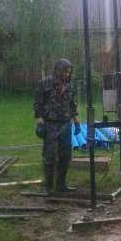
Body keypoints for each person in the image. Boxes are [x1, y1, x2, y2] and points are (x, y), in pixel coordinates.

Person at [34, 58, 80, 195]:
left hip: (66, 124)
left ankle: (61, 185)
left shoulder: (69, 85)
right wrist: (39, 120)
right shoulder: (45, 83)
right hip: (51, 124)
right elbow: (38, 103)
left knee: (65, 155)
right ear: (58, 70)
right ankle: (49, 187)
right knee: (50, 156)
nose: (67, 75)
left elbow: (72, 105)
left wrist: (76, 121)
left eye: (69, 72)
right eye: (65, 72)